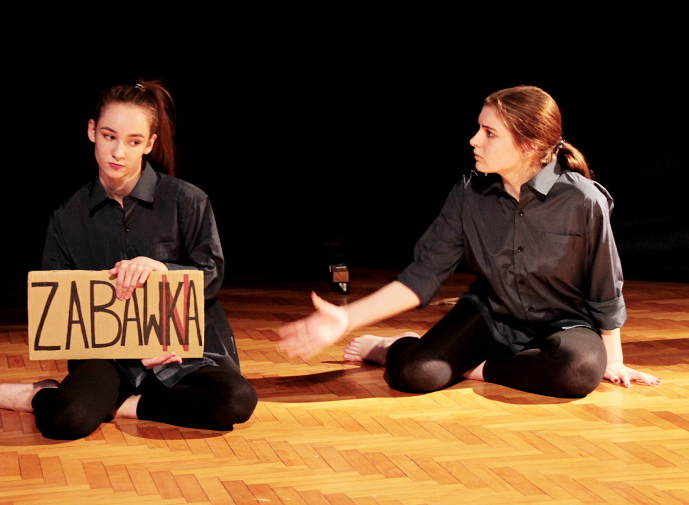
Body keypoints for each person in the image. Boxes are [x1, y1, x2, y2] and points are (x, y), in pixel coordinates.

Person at [278, 85, 660, 398]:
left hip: (564, 323)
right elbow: (424, 274)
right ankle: (394, 346)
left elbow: (604, 284)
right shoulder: (469, 193)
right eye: (479, 128)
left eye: (490, 133)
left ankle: (476, 368)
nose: (474, 139)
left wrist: (613, 359)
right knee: (414, 374)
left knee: (578, 373)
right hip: (491, 315)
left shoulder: (582, 199)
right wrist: (348, 317)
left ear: (528, 145)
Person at [0, 79, 258, 439]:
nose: (118, 152)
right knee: (66, 420)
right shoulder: (68, 216)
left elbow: (211, 274)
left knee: (235, 400)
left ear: (150, 144)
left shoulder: (186, 200)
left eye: (133, 141)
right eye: (109, 136)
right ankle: (38, 396)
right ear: (92, 131)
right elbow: (59, 297)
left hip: (179, 347)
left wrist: (161, 269)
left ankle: (124, 407)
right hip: (109, 353)